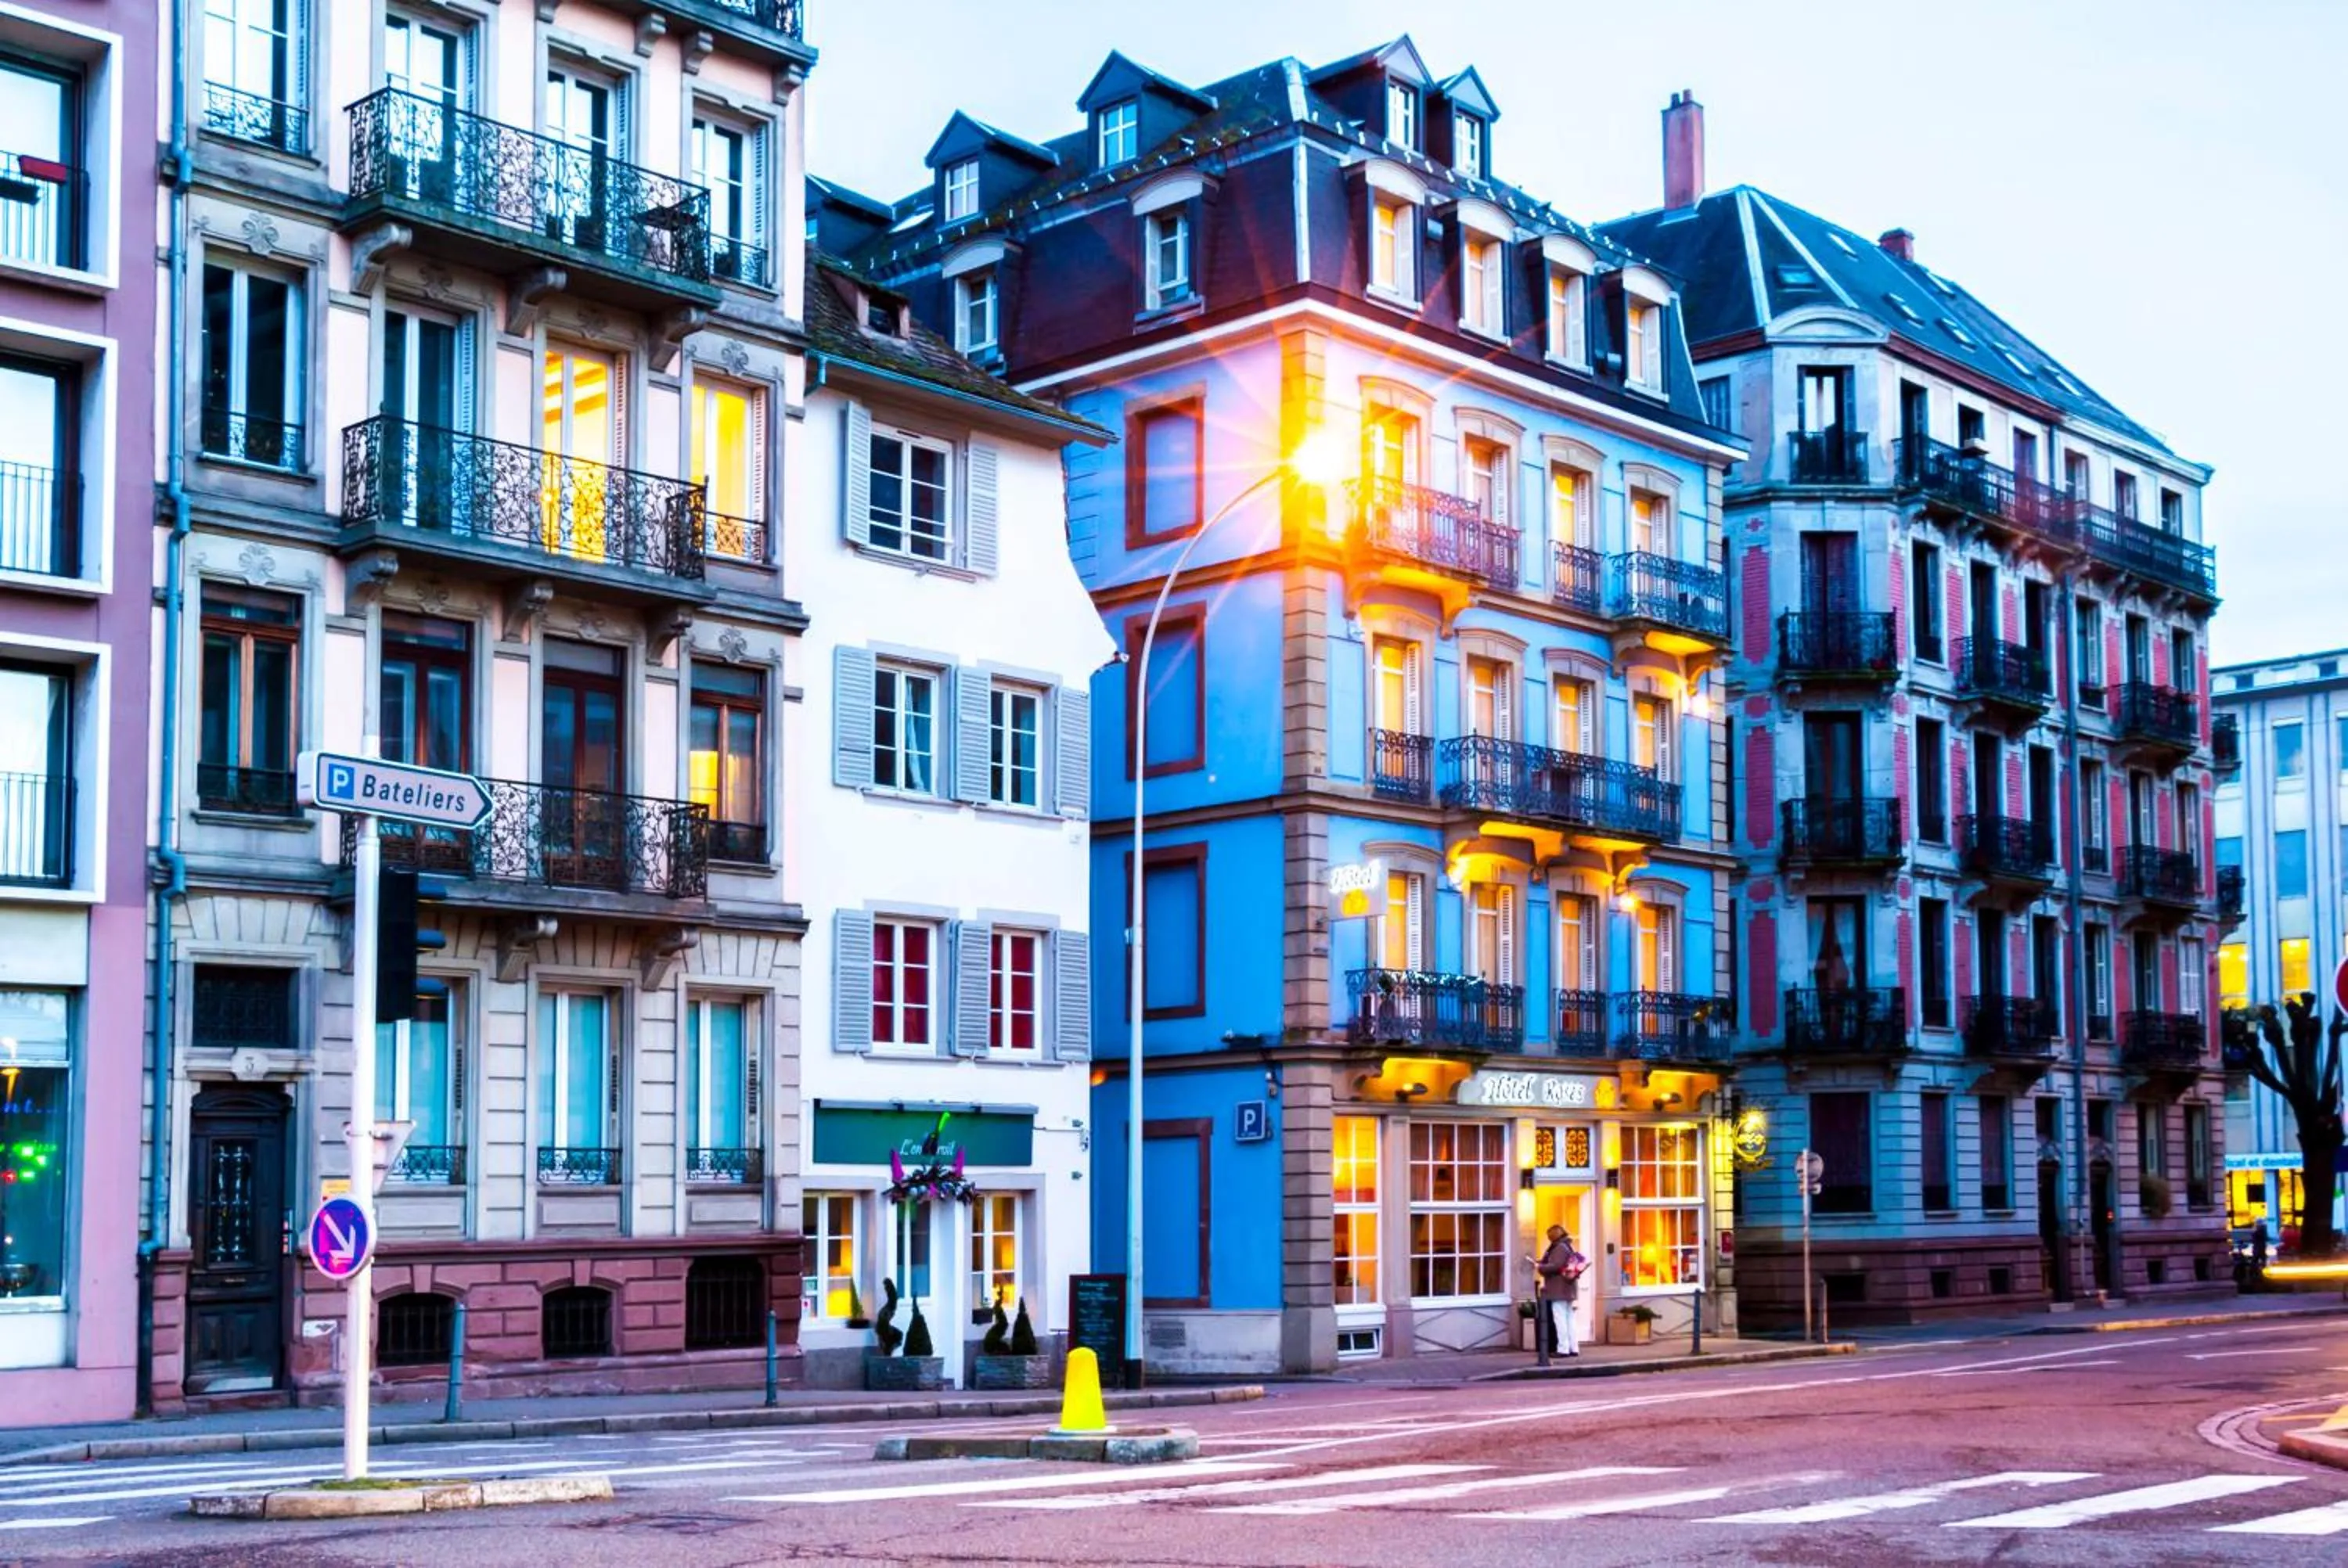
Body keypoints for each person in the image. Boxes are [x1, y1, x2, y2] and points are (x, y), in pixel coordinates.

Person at [1534, 1224, 1582, 1358]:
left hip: (1559, 1288)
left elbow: (1556, 1266)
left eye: (1549, 1235)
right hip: (1568, 1287)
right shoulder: (1567, 1245)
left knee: (1560, 1319)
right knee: (1569, 1318)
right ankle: (1573, 1347)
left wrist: (1540, 1267)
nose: (1548, 1238)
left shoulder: (1559, 1247)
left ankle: (1563, 1349)